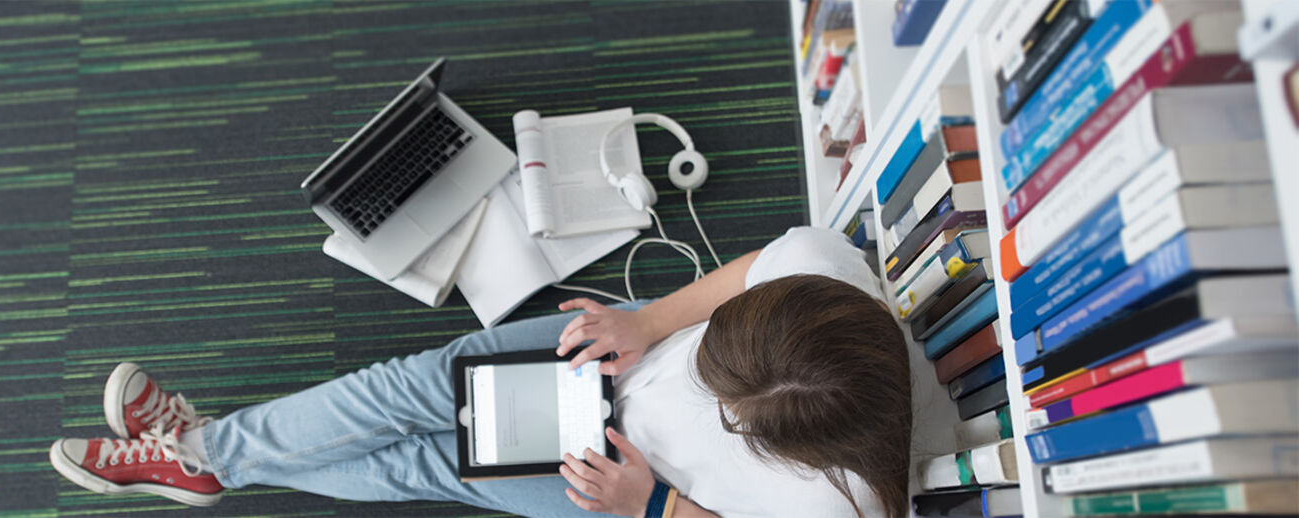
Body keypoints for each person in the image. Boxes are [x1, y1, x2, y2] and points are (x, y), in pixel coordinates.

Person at [48, 226, 912, 518]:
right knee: (412, 387)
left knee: (422, 460)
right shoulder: (822, 268)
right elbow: (756, 265)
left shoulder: (843, 506)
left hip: (629, 482)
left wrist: (657, 505)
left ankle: (198, 454)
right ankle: (207, 457)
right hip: (622, 353)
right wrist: (649, 323)